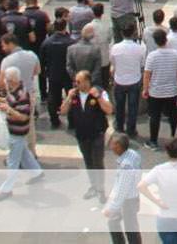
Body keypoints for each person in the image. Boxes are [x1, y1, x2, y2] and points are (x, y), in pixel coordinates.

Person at [63, 68, 114, 201]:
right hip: (81, 135)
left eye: (79, 82)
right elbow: (62, 111)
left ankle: (101, 189)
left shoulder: (99, 92)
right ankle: (93, 186)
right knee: (88, 162)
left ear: (87, 82)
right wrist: (68, 97)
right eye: (75, 82)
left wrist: (98, 98)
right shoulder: (74, 95)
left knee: (98, 162)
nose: (76, 84)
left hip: (97, 134)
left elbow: (109, 110)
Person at [0, 65, 43, 200]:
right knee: (24, 154)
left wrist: (7, 109)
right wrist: (2, 100)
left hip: (18, 132)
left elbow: (23, 116)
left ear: (12, 80)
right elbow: (12, 103)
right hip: (16, 132)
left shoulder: (22, 95)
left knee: (12, 162)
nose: (5, 82)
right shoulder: (14, 91)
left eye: (7, 80)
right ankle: (37, 173)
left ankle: (6, 189)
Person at [143, 29, 177, 148]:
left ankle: (153, 141)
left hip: (155, 92)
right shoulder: (175, 54)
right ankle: (175, 138)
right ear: (166, 39)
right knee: (173, 116)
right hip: (172, 91)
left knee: (154, 117)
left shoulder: (152, 56)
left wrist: (145, 89)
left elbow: (147, 75)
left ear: (155, 41)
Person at [103, 132, 143, 244]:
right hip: (134, 196)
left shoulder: (125, 166)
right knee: (131, 227)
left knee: (122, 225)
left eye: (112, 144)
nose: (110, 146)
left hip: (128, 201)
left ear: (119, 147)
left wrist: (111, 208)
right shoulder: (133, 154)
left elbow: (122, 191)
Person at [109, 22, 146, 136]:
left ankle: (119, 126)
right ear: (134, 33)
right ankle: (131, 129)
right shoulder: (140, 48)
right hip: (134, 80)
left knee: (119, 106)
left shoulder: (115, 48)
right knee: (133, 107)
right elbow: (142, 64)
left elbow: (112, 62)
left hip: (119, 80)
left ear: (121, 33)